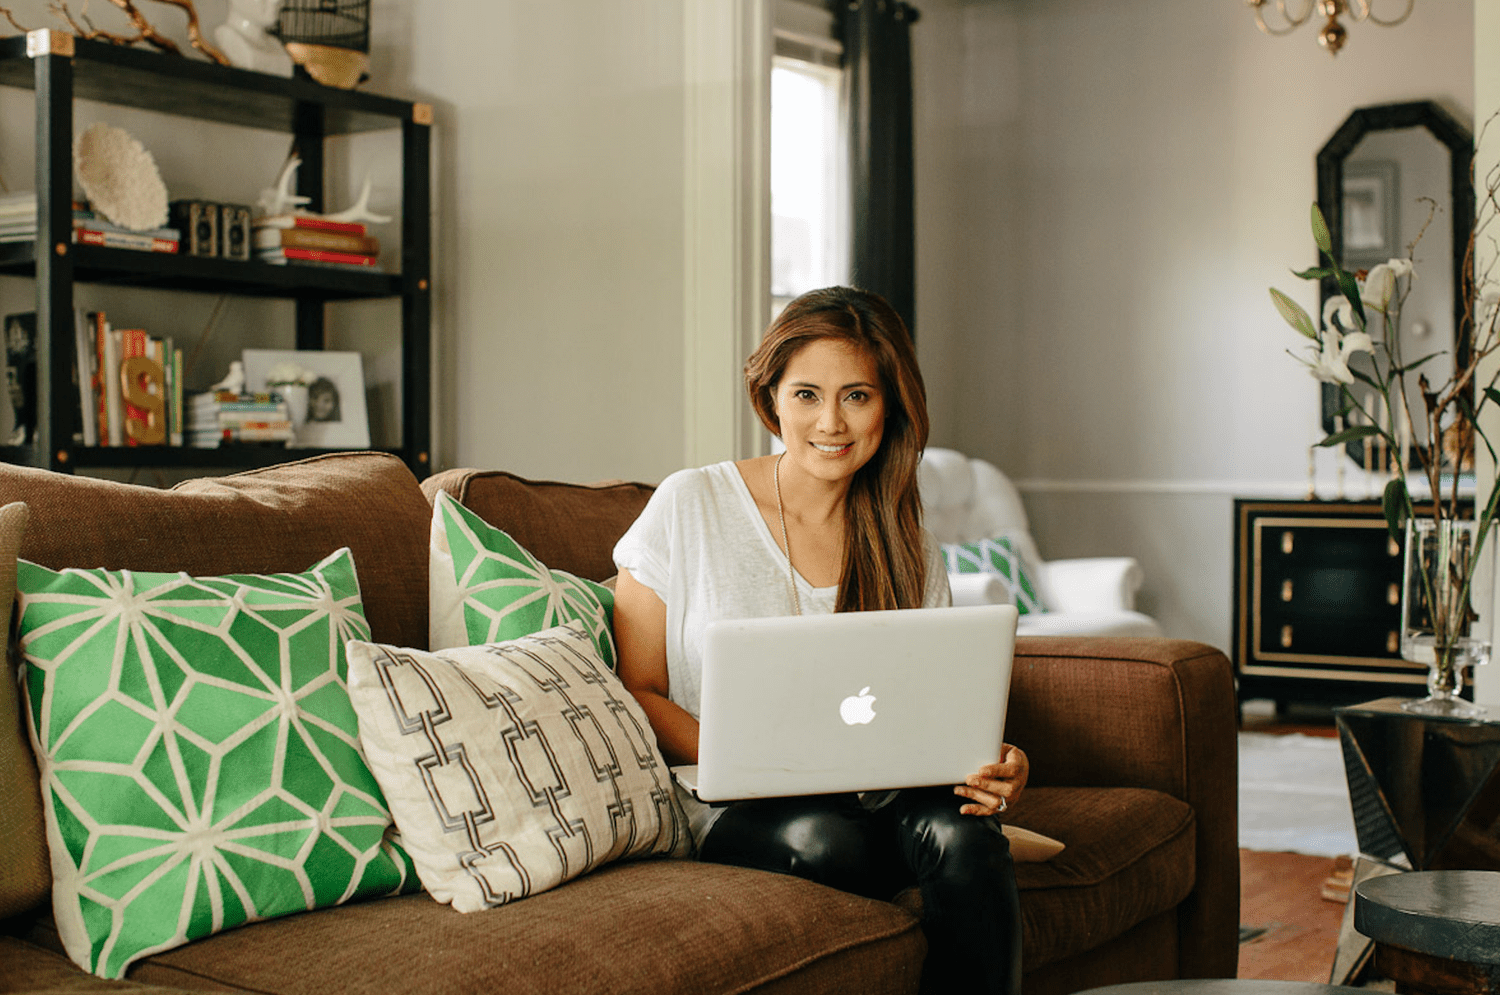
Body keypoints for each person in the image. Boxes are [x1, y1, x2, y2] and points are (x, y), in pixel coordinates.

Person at [612, 286, 1026, 995]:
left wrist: (992, 762)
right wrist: (744, 757)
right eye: (807, 394)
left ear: (891, 404)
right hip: (725, 806)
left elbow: (929, 707)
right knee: (826, 839)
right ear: (770, 397)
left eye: (857, 396)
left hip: (881, 793)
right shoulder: (690, 504)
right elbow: (637, 686)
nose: (830, 421)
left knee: (966, 833)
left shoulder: (910, 545)